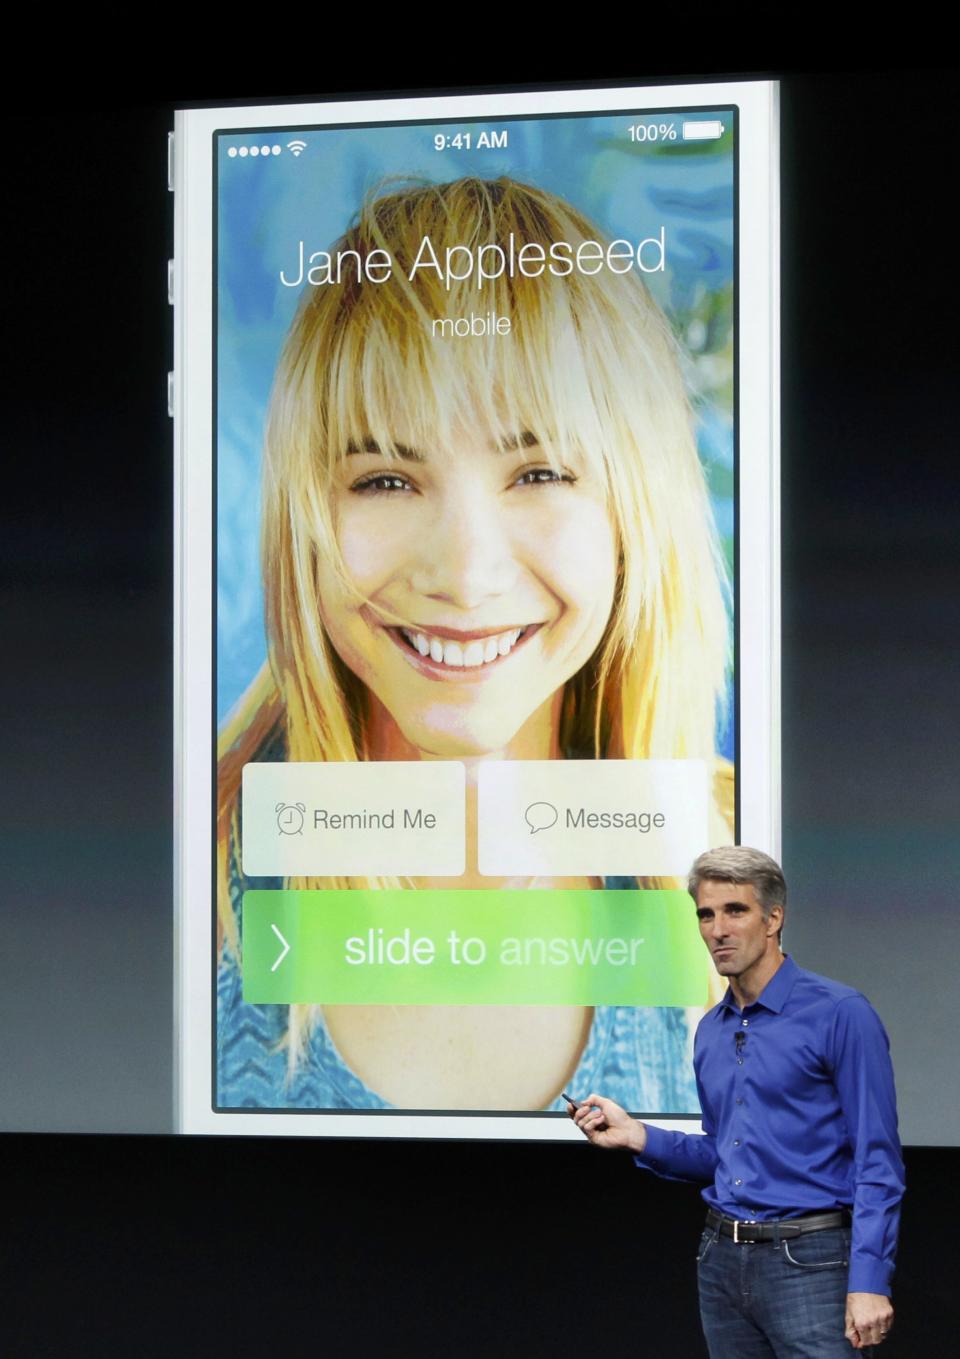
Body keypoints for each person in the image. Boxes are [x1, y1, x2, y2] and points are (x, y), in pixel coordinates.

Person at [216, 176, 734, 1111]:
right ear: (302, 517)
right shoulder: (188, 869)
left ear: (635, 514)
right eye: (382, 479)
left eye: (538, 470)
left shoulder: (736, 860)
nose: (464, 571)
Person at [570, 845, 904, 1357]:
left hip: (811, 1263)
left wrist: (869, 1281)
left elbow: (877, 1163)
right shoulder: (710, 1031)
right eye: (706, 914)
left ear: (773, 919)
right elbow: (725, 1155)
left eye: (735, 911)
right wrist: (638, 1136)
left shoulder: (839, 1014)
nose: (717, 930)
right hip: (721, 1260)